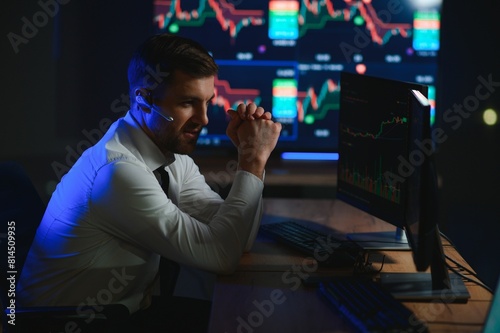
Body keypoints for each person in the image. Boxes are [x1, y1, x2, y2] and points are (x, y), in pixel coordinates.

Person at [17, 33, 282, 332]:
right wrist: (253, 161)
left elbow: (237, 239)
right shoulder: (117, 173)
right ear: (144, 100)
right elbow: (223, 256)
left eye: (208, 102)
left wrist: (251, 157)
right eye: (187, 103)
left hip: (120, 314)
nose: (204, 119)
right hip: (69, 326)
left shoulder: (171, 156)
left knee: (243, 320)